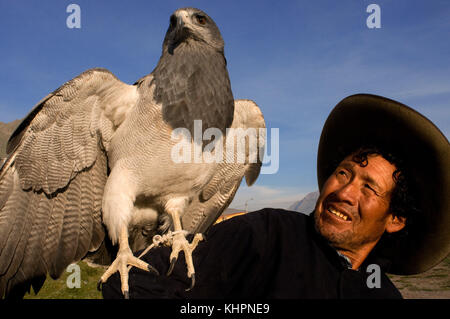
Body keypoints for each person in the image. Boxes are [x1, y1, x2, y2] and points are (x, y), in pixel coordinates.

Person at [101, 94, 449, 299]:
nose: (344, 191)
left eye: (368, 188)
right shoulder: (267, 235)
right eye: (343, 173)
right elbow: (132, 282)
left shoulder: (385, 297)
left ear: (396, 219)